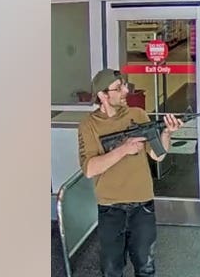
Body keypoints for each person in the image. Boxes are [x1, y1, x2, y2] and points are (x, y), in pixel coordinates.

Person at [78, 68, 183, 277]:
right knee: (111, 270)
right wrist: (124, 149)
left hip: (142, 206)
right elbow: (90, 169)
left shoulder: (138, 115)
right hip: (110, 208)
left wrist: (167, 133)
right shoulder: (88, 125)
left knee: (146, 268)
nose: (125, 90)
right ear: (103, 95)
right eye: (118, 88)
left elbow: (158, 155)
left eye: (125, 85)